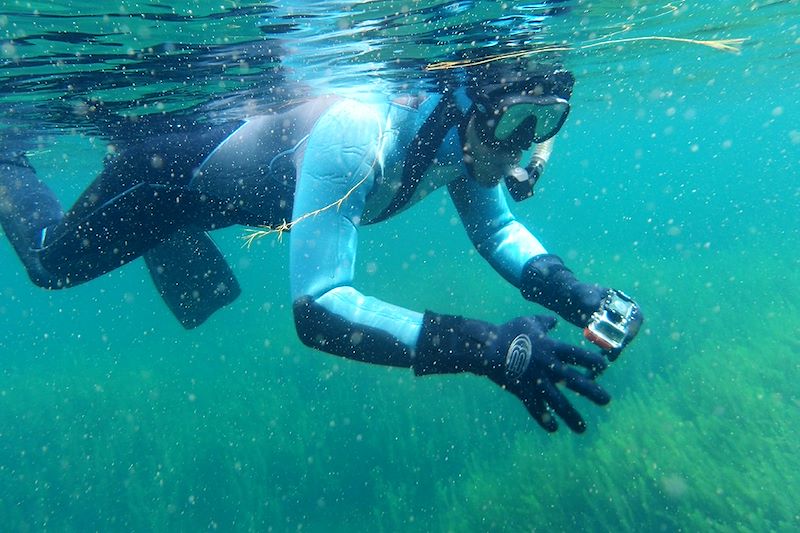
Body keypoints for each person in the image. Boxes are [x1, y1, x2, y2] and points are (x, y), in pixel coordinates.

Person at [0, 61, 643, 433]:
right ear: (473, 102)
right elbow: (320, 310)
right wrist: (488, 349)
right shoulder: (363, 132)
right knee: (52, 264)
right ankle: (7, 157)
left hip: (237, 193)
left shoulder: (466, 142)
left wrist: (576, 295)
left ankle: (161, 222)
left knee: (196, 288)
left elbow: (499, 232)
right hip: (168, 179)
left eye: (541, 125)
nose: (519, 148)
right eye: (512, 122)